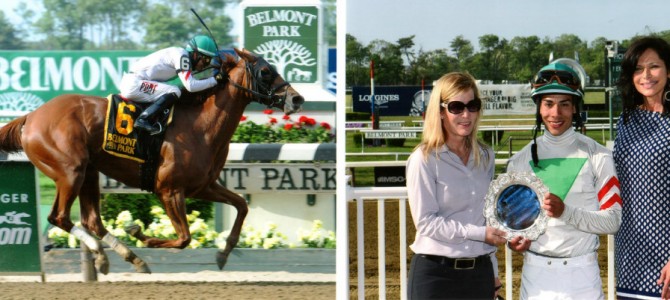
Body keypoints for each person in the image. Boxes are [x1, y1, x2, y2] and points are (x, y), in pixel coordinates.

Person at [506, 62, 622, 299]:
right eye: (548, 104)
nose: (555, 114)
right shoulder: (518, 161)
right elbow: (511, 223)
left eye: (564, 105)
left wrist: (565, 212)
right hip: (535, 278)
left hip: (582, 278)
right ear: (539, 107)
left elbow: (613, 221)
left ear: (575, 108)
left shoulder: (598, 156)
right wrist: (512, 239)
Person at [405, 72, 507, 299]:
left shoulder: (485, 156)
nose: (466, 114)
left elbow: (486, 217)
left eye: (472, 106)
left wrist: (493, 273)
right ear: (440, 112)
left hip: (479, 274)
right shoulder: (424, 159)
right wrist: (480, 234)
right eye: (456, 107)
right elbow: (426, 223)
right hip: (435, 277)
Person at [613, 36, 670, 300]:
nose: (645, 75)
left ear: (669, 71)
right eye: (638, 69)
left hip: (666, 261)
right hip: (630, 257)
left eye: (653, 67)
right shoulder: (626, 121)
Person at [120, 35, 226, 134]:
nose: (206, 64)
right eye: (206, 59)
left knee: (174, 90)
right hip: (134, 84)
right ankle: (143, 119)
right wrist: (215, 80)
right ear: (195, 54)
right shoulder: (182, 56)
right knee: (174, 91)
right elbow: (191, 86)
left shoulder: (181, 56)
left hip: (135, 82)